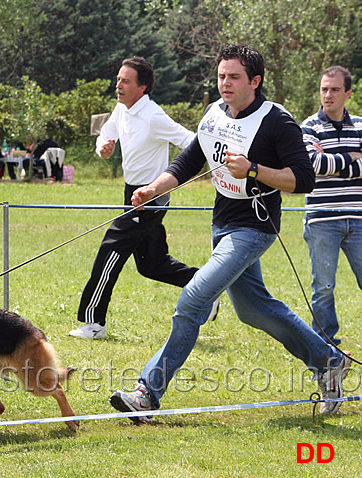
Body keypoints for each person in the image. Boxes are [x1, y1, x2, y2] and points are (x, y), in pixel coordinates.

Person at [109, 45, 351, 422]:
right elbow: (189, 161)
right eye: (221, 76)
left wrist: (254, 169)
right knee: (254, 309)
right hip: (221, 225)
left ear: (254, 81)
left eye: (234, 77)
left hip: (254, 228)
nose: (225, 83)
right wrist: (153, 189)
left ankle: (146, 393)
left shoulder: (277, 121)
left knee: (193, 300)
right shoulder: (214, 113)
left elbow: (303, 179)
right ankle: (329, 360)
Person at [70, 56, 214, 339]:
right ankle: (206, 286)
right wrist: (104, 148)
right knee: (152, 264)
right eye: (118, 80)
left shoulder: (154, 116)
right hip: (130, 193)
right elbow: (106, 133)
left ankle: (93, 323)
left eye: (125, 81)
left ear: (142, 87)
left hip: (151, 197)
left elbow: (191, 141)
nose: (118, 86)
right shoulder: (122, 108)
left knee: (110, 251)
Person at [300, 66, 362, 346]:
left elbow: (325, 164)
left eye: (335, 89)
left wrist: (332, 163)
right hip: (322, 220)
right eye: (324, 89)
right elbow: (312, 165)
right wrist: (352, 156)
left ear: (348, 93)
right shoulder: (308, 127)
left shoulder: (360, 125)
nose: (328, 95)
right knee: (323, 288)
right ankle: (325, 349)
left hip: (359, 218)